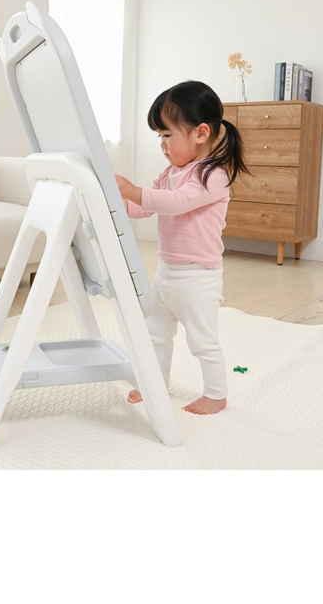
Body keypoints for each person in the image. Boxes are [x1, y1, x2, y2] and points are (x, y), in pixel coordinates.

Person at [115, 80, 248, 414]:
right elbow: (145, 208)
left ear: (201, 133)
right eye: (159, 137)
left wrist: (132, 190)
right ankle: (156, 384)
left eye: (167, 135)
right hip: (167, 272)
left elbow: (175, 203)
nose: (162, 145)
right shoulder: (170, 172)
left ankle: (216, 395)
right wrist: (117, 203)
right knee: (155, 333)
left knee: (202, 340)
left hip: (197, 277)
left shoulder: (212, 175)